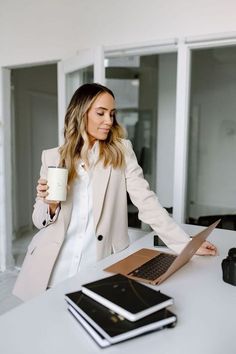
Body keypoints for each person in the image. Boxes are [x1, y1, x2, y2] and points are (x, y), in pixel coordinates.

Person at [13, 83, 217, 301]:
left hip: (98, 264)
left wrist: (186, 244)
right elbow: (38, 220)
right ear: (81, 114)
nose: (109, 121)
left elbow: (147, 202)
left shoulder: (121, 152)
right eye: (101, 113)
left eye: (111, 114)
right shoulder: (52, 157)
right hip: (51, 268)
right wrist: (51, 205)